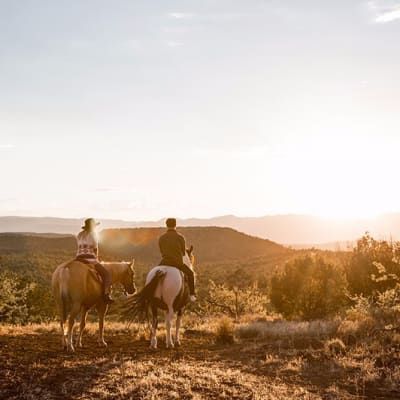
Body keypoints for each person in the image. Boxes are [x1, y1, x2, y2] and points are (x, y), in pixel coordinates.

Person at [75, 218, 113, 304]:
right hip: (89, 259)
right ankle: (106, 295)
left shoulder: (79, 235)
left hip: (78, 258)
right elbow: (95, 249)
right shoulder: (94, 235)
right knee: (106, 274)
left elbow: (79, 246)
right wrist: (97, 260)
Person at [159, 218, 196, 302]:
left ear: (166, 225)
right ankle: (192, 294)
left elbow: (161, 251)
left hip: (164, 262)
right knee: (190, 274)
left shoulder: (161, 238)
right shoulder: (180, 237)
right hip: (177, 263)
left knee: (154, 274)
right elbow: (183, 253)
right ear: (175, 225)